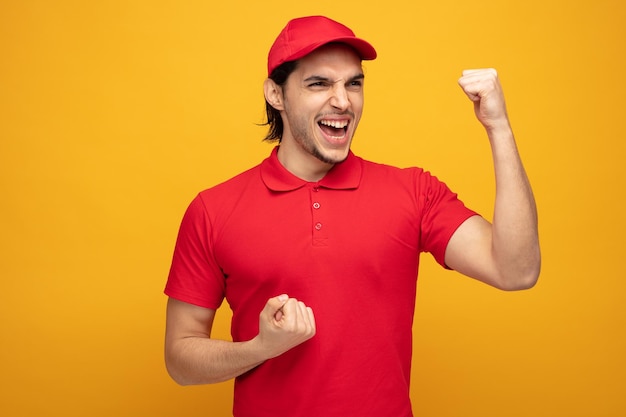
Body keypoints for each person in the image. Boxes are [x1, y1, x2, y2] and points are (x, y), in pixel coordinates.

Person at [164, 15, 540, 417]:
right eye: (319, 83)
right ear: (276, 94)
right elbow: (180, 359)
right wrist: (260, 348)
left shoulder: (413, 192)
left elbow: (515, 270)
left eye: (353, 83)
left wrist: (498, 126)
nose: (343, 101)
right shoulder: (214, 209)